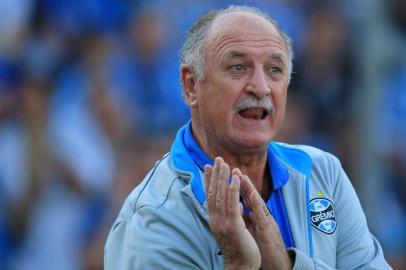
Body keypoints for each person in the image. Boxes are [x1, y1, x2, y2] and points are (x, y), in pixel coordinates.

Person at [104, 6, 392, 269]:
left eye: (274, 70)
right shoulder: (153, 224)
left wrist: (287, 266)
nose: (260, 87)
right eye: (238, 67)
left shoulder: (322, 173)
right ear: (192, 86)